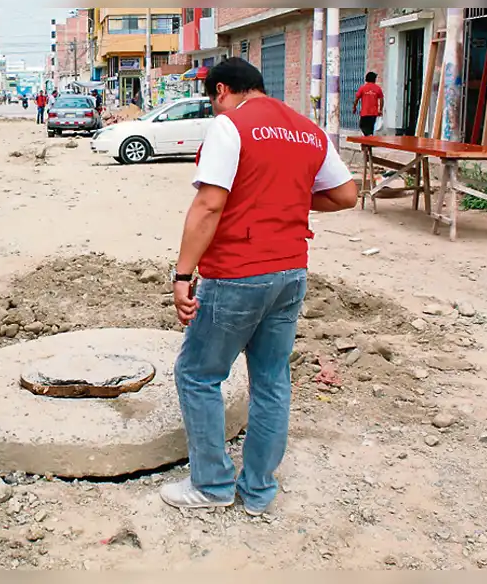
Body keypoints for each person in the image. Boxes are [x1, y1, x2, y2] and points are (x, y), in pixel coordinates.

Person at [161, 57, 357, 516]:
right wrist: (286, 195)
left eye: (214, 100)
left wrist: (182, 275)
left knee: (198, 374)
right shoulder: (308, 130)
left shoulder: (231, 126)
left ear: (223, 90)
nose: (216, 109)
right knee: (272, 381)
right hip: (291, 271)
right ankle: (258, 491)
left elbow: (210, 205)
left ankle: (211, 485)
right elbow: (346, 194)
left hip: (238, 272)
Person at [353, 71, 384, 136]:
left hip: (365, 112)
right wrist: (380, 110)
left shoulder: (362, 88)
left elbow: (356, 98)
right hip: (374, 113)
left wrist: (354, 107)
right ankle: (369, 140)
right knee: (370, 127)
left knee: (362, 125)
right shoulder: (378, 88)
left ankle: (368, 138)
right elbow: (381, 100)